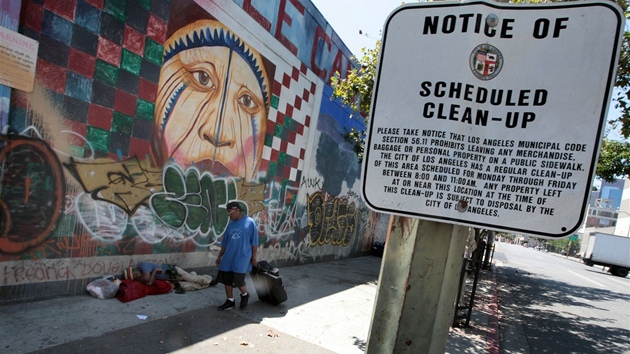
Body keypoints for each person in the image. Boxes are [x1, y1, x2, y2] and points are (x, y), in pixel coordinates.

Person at [215, 201, 259, 310]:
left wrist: (254, 257)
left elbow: (254, 243)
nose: (229, 215)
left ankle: (244, 294)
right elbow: (225, 243)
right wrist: (219, 257)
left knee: (239, 281)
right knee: (227, 280)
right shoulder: (230, 225)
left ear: (237, 210)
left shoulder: (250, 222)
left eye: (230, 212)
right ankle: (230, 301)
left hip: (242, 257)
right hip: (228, 257)